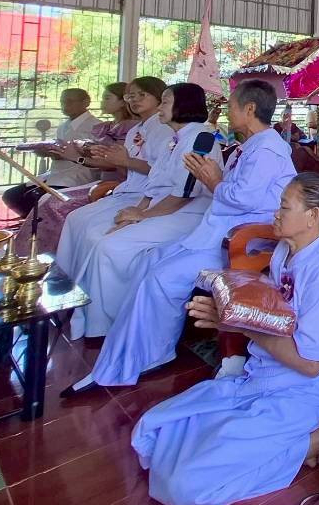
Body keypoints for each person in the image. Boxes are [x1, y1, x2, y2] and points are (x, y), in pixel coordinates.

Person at [133, 173, 319, 505]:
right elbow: (270, 301)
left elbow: (311, 365)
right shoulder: (286, 249)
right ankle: (294, 443)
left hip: (307, 388)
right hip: (264, 374)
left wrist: (240, 325)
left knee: (185, 487)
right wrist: (228, 306)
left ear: (312, 216)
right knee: (151, 430)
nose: (276, 213)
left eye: (284, 206)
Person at [63, 79, 297, 395]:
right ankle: (131, 349)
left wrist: (213, 180)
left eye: (230, 106)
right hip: (217, 231)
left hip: (242, 243)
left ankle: (144, 356)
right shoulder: (252, 145)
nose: (226, 113)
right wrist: (213, 180)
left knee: (161, 276)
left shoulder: (267, 149)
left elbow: (244, 200)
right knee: (149, 262)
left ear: (250, 109)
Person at [68, 84, 220, 339]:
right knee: (104, 235)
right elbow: (155, 185)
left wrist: (144, 216)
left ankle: (112, 322)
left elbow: (184, 193)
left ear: (183, 106)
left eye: (165, 102)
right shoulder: (175, 139)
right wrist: (135, 211)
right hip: (164, 208)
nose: (160, 108)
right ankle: (88, 312)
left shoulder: (199, 138)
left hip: (188, 213)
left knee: (111, 247)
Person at [56, 78, 172, 279]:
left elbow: (165, 173)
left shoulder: (165, 129)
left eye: (141, 95)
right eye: (130, 96)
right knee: (75, 219)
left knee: (98, 234)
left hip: (147, 195)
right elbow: (122, 165)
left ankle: (89, 286)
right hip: (127, 189)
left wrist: (125, 161)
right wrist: (84, 157)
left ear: (160, 97)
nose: (134, 100)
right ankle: (68, 280)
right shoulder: (135, 130)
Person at [11, 83, 137, 254]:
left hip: (112, 181)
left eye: (107, 98)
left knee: (53, 203)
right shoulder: (107, 126)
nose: (102, 102)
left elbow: (116, 162)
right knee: (21, 197)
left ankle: (46, 252)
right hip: (101, 178)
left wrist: (76, 156)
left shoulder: (130, 128)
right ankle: (36, 251)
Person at [3, 88, 100, 217]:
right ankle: (35, 225)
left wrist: (60, 154)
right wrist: (44, 151)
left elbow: (95, 154)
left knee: (33, 199)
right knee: (12, 196)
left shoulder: (96, 126)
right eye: (62, 102)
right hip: (55, 174)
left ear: (86, 102)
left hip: (76, 176)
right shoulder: (63, 126)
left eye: (70, 101)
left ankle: (44, 228)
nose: (65, 106)